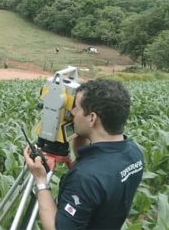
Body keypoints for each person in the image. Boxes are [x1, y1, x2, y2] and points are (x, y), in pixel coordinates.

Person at [24, 79, 144, 230]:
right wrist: (80, 130)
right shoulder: (134, 152)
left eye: (77, 108)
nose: (72, 112)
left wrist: (40, 179)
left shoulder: (85, 178)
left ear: (92, 118)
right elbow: (89, 158)